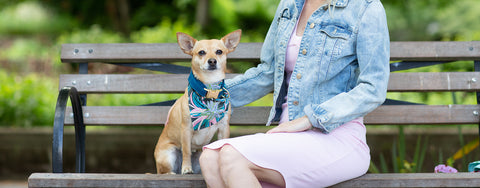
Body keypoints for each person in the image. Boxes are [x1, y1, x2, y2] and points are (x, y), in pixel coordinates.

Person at [199, 0, 390, 187]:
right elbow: (268, 73)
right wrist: (208, 96)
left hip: (336, 137)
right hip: (288, 140)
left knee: (231, 155)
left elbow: (373, 88)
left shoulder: (366, 8)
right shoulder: (289, 5)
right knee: (209, 158)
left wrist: (309, 119)